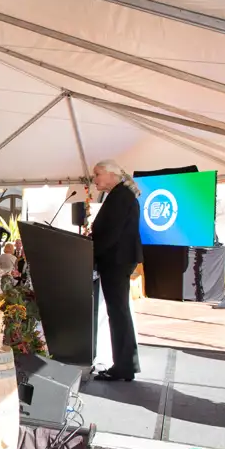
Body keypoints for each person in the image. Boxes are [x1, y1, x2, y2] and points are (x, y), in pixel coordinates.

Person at [91, 160, 142, 382]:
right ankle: (125, 365)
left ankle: (124, 366)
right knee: (119, 313)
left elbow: (111, 233)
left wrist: (91, 252)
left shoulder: (120, 196)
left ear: (112, 174)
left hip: (116, 260)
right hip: (117, 260)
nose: (95, 179)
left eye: (98, 174)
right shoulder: (118, 194)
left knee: (118, 313)